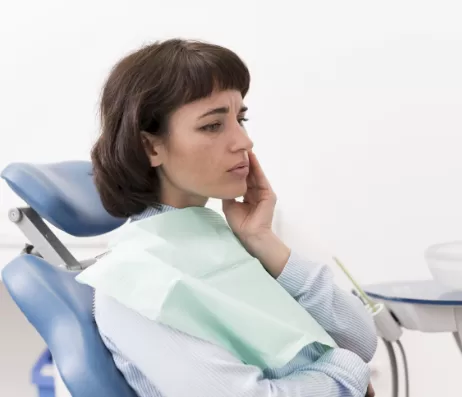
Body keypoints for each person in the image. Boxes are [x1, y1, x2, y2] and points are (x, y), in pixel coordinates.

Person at [90, 38, 378, 397]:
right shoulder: (134, 281)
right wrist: (347, 372)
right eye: (213, 125)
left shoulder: (218, 240)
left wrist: (263, 239)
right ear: (151, 146)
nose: (244, 141)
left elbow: (361, 339)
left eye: (240, 118)